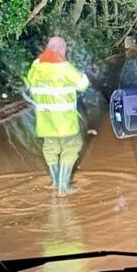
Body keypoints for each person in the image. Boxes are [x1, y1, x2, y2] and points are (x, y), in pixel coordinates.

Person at [23, 36, 90, 195]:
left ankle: (55, 182)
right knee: (72, 147)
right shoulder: (64, 67)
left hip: (45, 123)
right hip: (65, 123)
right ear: (61, 50)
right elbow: (83, 85)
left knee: (50, 149)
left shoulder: (36, 66)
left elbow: (29, 86)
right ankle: (63, 187)